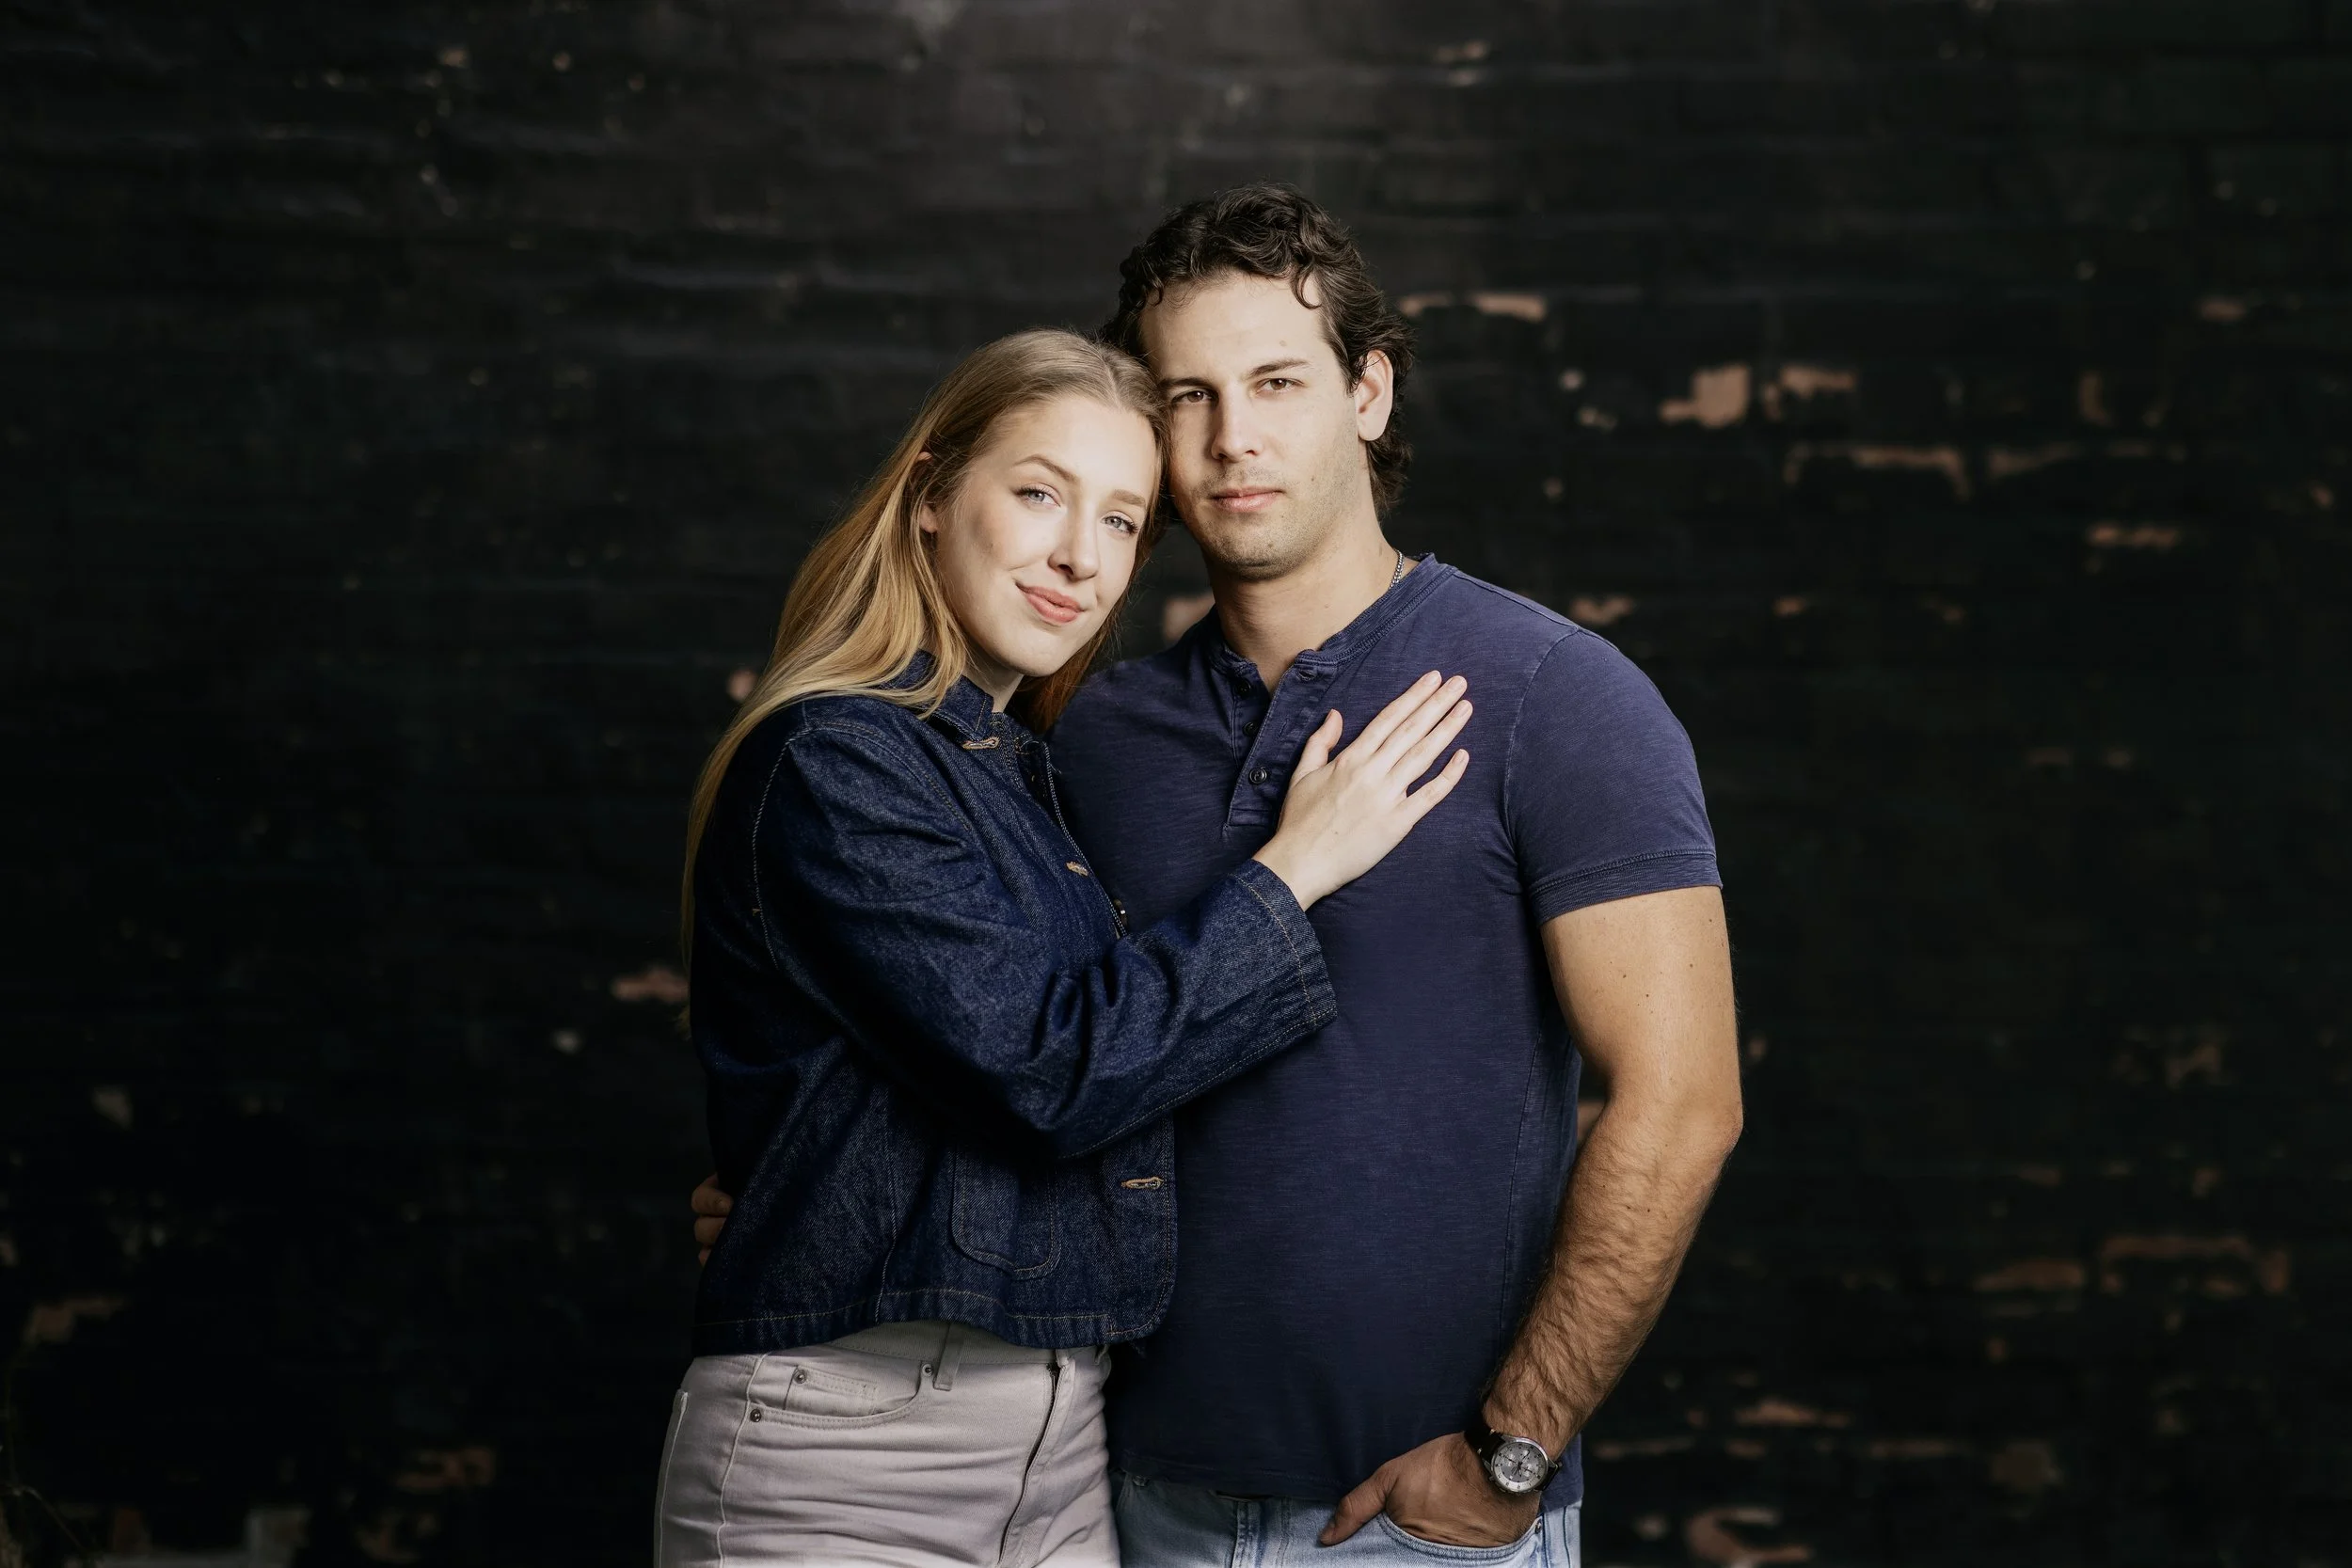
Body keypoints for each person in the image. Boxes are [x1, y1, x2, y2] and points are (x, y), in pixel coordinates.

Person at [696, 185, 1743, 1567]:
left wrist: (1513, 1449)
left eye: (1277, 383)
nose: (1233, 437)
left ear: (1369, 393)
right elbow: (1006, 1039)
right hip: (1113, 1495)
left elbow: (1683, 1103)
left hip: (1416, 1522)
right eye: (1188, 395)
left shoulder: (1558, 694)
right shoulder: (1081, 734)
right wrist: (805, 1196)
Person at [658, 325, 1474, 1568]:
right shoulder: (836, 757)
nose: (1080, 557)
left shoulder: (1020, 771)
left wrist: (807, 1195)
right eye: (1040, 493)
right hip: (850, 1459)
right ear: (931, 495)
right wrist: (1296, 865)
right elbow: (1054, 1071)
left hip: (1059, 1451)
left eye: (1121, 520)